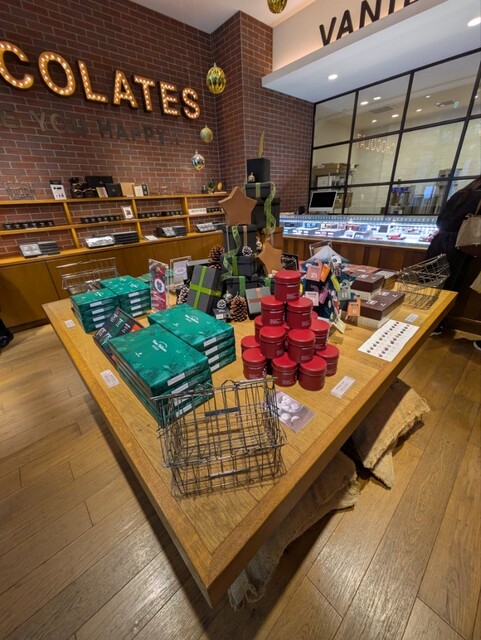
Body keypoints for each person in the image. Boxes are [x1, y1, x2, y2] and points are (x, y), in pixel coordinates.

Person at [426, 175, 481, 344]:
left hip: (439, 241)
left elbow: (440, 220)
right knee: (449, 286)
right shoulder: (478, 198)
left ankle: (425, 320)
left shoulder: (460, 194)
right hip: (459, 245)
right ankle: (436, 324)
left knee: (430, 280)